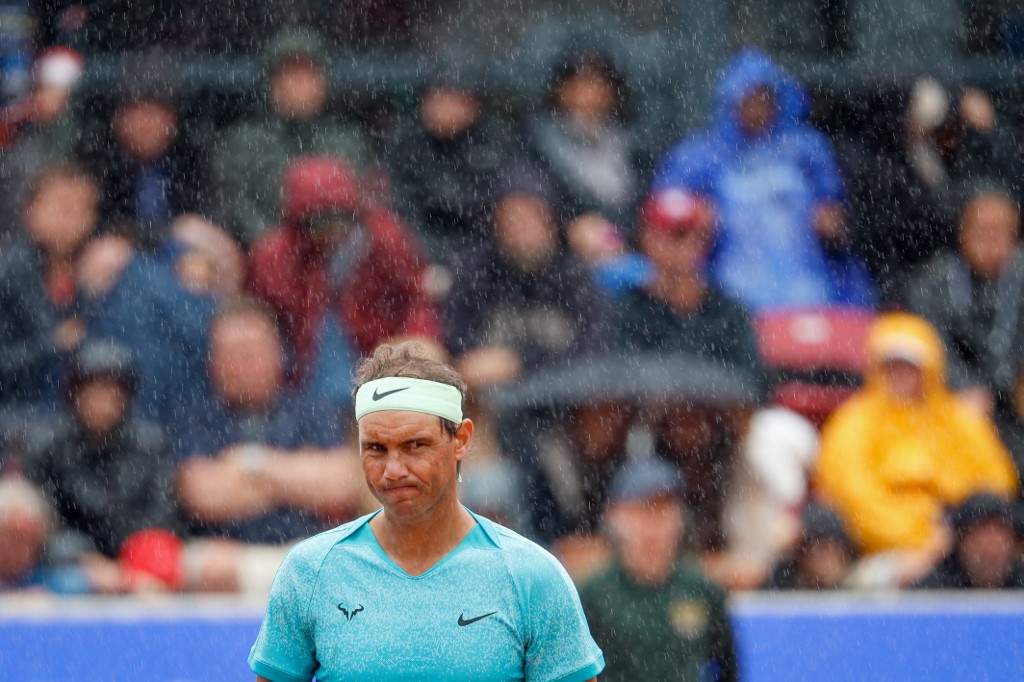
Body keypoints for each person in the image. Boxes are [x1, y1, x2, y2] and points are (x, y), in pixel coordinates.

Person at [249, 341, 605, 682]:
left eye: (415, 445)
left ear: (461, 440)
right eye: (376, 448)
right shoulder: (309, 572)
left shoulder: (532, 577)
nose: (393, 470)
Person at [652, 48, 875, 311]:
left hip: (806, 286)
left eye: (764, 99)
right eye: (749, 100)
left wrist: (830, 220)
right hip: (733, 285)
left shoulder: (806, 149)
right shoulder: (701, 154)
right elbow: (665, 209)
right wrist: (698, 216)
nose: (757, 109)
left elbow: (835, 207)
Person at [814, 312, 1019, 587]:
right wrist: (920, 539)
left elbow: (997, 484)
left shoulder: (959, 421)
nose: (901, 375)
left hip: (961, 554)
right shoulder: (852, 423)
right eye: (892, 366)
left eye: (910, 366)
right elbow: (852, 500)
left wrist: (951, 534)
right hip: (881, 555)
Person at [248, 155, 442, 409]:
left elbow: (417, 299)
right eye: (318, 222)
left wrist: (418, 339)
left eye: (340, 217)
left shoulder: (384, 238)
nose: (332, 230)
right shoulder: (273, 258)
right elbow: (262, 317)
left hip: (377, 353)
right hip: (302, 368)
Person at [579, 457, 738, 682]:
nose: (655, 523)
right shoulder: (593, 596)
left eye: (665, 510)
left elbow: (729, 668)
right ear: (615, 517)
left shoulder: (703, 589)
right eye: (644, 511)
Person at [212, 26, 373, 245]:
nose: (299, 85)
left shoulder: (350, 142)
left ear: (324, 83)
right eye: (289, 74)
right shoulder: (240, 143)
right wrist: (280, 251)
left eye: (308, 74)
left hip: (337, 257)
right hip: (256, 257)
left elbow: (360, 210)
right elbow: (236, 209)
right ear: (271, 84)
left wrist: (322, 248)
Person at [0, 159, 100, 410]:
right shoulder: (8, 275)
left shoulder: (101, 274)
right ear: (30, 209)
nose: (72, 219)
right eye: (62, 206)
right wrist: (52, 345)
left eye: (82, 208)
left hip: (84, 420)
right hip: (16, 415)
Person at [915, 493, 1024, 589]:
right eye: (980, 538)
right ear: (961, 543)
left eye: (997, 539)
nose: (989, 549)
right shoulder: (934, 591)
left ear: (1013, 544)